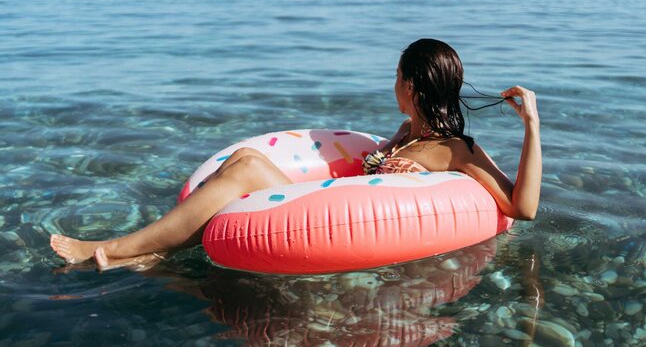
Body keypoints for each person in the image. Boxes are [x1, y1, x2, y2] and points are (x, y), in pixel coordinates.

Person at [51, 38, 541, 271]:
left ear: (410, 85)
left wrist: (531, 127)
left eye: (396, 77)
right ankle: (150, 250)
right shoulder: (403, 130)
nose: (393, 85)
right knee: (244, 160)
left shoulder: (456, 150)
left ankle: (114, 249)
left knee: (243, 168)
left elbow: (523, 208)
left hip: (336, 220)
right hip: (317, 201)